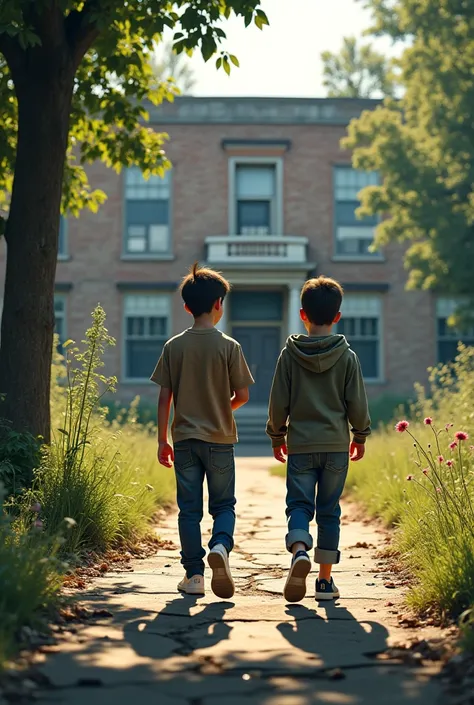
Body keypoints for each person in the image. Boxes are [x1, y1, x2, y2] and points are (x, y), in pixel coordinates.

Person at [151, 262, 254, 599]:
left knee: (189, 510)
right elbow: (242, 396)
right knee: (224, 506)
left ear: (186, 307)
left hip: (183, 441)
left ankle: (193, 575)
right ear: (218, 305)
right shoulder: (229, 346)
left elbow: (165, 396)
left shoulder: (173, 347)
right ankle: (221, 548)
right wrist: (221, 407)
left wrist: (162, 439)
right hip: (220, 440)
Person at [266, 276, 371, 603]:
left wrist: (276, 435)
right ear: (337, 316)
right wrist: (361, 435)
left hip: (301, 446)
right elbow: (356, 401)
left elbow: (278, 401)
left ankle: (299, 551)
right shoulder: (347, 357)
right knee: (329, 510)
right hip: (336, 446)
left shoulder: (289, 355)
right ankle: (325, 582)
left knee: (298, 504)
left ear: (303, 314)